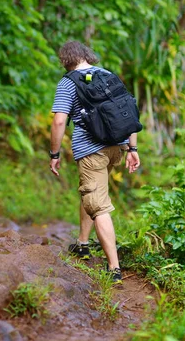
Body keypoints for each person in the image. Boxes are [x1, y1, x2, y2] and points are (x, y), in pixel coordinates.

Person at [49, 41, 140, 284]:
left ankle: (114, 268)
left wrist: (54, 154)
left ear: (65, 60)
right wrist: (132, 147)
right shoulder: (108, 75)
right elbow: (130, 111)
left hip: (91, 150)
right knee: (92, 192)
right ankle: (82, 243)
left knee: (98, 205)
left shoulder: (68, 82)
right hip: (117, 146)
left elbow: (59, 122)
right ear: (87, 56)